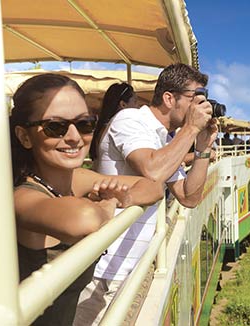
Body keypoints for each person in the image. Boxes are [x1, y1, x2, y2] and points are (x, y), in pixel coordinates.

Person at [9, 73, 163, 326]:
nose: (74, 137)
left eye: (84, 124)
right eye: (54, 126)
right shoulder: (21, 196)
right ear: (24, 136)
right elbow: (85, 219)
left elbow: (153, 186)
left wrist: (124, 196)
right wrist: (108, 203)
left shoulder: (76, 177)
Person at [74, 63, 218, 325]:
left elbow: (189, 197)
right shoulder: (131, 119)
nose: (200, 105)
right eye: (194, 98)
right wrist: (191, 130)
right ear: (168, 98)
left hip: (133, 267)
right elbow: (153, 170)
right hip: (105, 272)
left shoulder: (166, 139)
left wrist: (202, 150)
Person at [89, 82, 137, 161]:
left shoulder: (105, 126)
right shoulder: (121, 125)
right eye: (135, 102)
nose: (138, 107)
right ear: (123, 104)